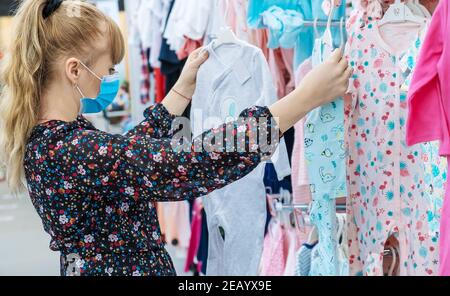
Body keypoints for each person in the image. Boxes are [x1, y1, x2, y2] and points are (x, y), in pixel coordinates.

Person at [0, 0, 352, 276]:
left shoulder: (59, 141)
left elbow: (126, 160)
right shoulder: (70, 149)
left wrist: (179, 92)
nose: (109, 77)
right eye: (108, 68)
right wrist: (303, 99)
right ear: (74, 69)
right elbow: (188, 161)